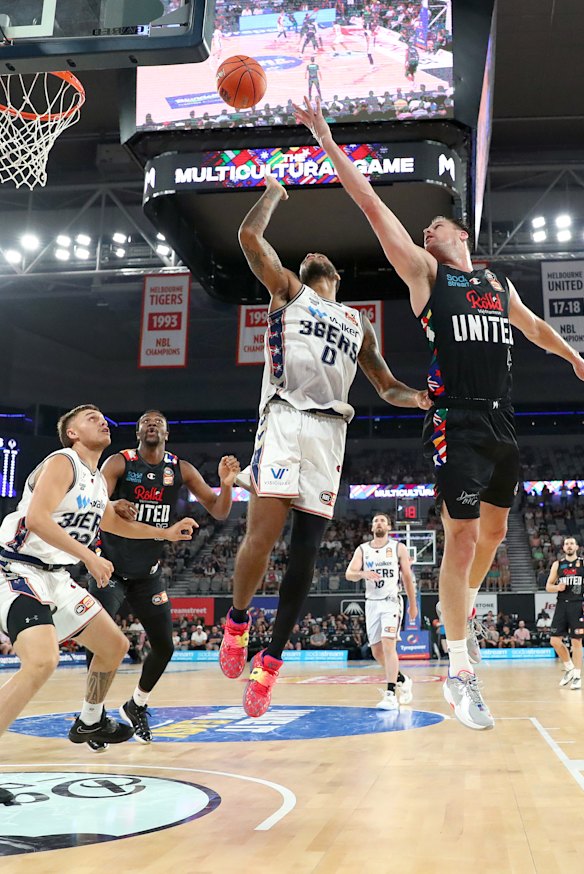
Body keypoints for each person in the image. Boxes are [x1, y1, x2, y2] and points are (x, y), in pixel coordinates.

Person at [293, 97, 584, 730]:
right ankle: (459, 672)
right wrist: (325, 137)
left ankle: (463, 611)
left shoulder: (495, 283)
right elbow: (372, 206)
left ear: (462, 235)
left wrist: (573, 357)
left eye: (434, 228)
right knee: (460, 540)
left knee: (497, 536)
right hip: (456, 421)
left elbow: (533, 327)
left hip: (503, 421)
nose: (425, 234)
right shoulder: (427, 275)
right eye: (422, 232)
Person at [220, 173, 430, 718]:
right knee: (263, 538)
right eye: (307, 254)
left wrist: (420, 398)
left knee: (307, 556)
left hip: (330, 433)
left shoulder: (358, 324)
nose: (314, 253)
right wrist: (272, 193)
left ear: (335, 275)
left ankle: (270, 664)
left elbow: (386, 386)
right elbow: (249, 240)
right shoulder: (288, 290)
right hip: (286, 417)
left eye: (323, 256)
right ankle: (238, 619)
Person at [0, 405, 196, 801]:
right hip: (15, 568)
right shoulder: (62, 462)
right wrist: (90, 557)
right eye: (89, 417)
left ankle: (90, 721)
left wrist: (167, 533)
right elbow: (37, 519)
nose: (100, 419)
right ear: (71, 433)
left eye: (102, 416)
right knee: (42, 661)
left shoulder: (94, 481)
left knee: (115, 647)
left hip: (55, 575)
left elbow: (116, 523)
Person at [85, 409, 239, 748]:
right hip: (108, 567)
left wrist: (226, 486)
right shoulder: (118, 463)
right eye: (145, 422)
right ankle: (92, 716)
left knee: (165, 646)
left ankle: (136, 704)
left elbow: (220, 510)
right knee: (99, 642)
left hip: (147, 573)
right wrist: (113, 504)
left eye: (158, 422)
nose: (151, 424)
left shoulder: (180, 468)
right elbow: (92, 504)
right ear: (137, 432)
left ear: (166, 434)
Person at [345, 512, 416, 709]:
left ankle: (391, 693)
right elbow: (349, 574)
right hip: (371, 603)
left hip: (391, 602)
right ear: (371, 528)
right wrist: (362, 573)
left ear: (389, 527)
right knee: (376, 652)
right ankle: (403, 679)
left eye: (383, 520)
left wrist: (413, 604)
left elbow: (408, 578)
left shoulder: (398, 548)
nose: (379, 523)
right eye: (376, 520)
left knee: (388, 644)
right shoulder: (363, 549)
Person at [546, 536, 584, 690]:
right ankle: (569, 668)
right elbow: (548, 586)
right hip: (562, 604)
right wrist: (557, 587)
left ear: (576, 547)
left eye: (572, 544)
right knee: (554, 641)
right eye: (567, 544)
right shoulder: (558, 564)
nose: (569, 546)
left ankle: (577, 676)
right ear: (563, 548)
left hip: (578, 605)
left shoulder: (582, 563)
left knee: (576, 642)